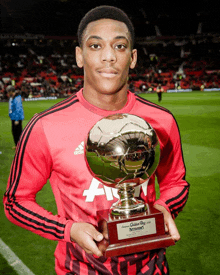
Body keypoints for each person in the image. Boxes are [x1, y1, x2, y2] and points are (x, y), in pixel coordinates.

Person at [4, 6, 189, 275]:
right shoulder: (45, 126)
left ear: (133, 57)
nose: (108, 57)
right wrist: (67, 229)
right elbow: (15, 201)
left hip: (153, 268)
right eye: (95, 45)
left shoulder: (162, 121)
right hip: (79, 269)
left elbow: (176, 182)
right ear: (80, 55)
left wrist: (163, 208)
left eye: (120, 46)